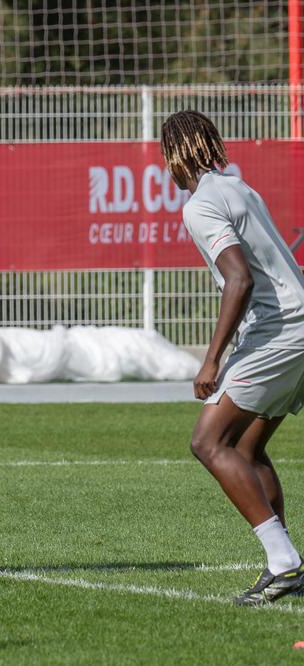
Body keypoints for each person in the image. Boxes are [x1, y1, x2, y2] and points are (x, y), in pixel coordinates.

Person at [162, 110, 304, 605]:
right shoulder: (240, 188)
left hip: (278, 331)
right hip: (297, 327)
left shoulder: (200, 203)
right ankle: (287, 563)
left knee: (207, 441)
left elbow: (239, 280)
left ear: (175, 156)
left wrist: (211, 362)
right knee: (246, 448)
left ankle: (284, 562)